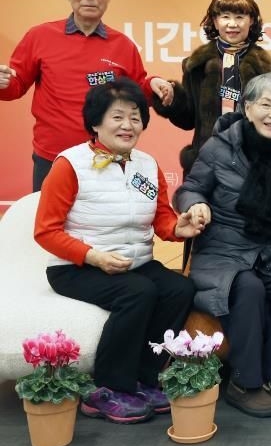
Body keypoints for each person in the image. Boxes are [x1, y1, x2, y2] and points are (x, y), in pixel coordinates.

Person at [33, 78, 198, 424]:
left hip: (132, 263)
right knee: (138, 292)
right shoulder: (70, 164)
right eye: (117, 117)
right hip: (76, 267)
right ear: (95, 123)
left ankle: (144, 378)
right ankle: (106, 388)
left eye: (135, 117)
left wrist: (177, 229)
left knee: (180, 288)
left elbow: (162, 218)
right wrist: (93, 256)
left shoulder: (147, 164)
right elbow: (46, 232)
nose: (128, 125)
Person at [174, 72, 271, 418]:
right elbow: (190, 189)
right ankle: (244, 382)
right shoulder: (220, 148)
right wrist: (196, 205)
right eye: (266, 105)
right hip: (224, 249)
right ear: (248, 107)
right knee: (248, 287)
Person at [0, 0, 173, 191]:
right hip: (52, 158)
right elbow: (16, 84)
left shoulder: (122, 45)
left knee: (107, 216)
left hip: (107, 158)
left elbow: (136, 91)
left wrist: (153, 84)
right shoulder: (39, 36)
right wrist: (4, 82)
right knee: (50, 215)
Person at [153, 0, 271, 176]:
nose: (232, 24)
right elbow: (187, 120)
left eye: (240, 17)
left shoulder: (269, 67)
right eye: (225, 16)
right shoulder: (195, 65)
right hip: (206, 165)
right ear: (215, 21)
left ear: (252, 21)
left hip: (253, 166)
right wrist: (173, 100)